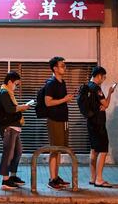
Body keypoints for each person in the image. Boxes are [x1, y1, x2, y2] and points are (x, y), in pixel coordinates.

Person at [0, 71, 29, 190]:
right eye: (16, 84)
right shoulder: (4, 92)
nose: (16, 86)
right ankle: (5, 180)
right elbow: (10, 109)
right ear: (9, 82)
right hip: (8, 128)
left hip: (14, 127)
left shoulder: (9, 93)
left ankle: (13, 176)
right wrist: (22, 107)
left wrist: (21, 107)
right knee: (8, 153)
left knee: (17, 152)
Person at [45, 56, 74, 190]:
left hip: (63, 120)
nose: (64, 68)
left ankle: (56, 177)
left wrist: (66, 99)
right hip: (54, 120)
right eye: (62, 66)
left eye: (64, 65)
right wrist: (64, 99)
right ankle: (52, 179)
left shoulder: (62, 82)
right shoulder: (51, 83)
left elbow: (61, 99)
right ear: (55, 68)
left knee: (60, 150)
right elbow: (48, 102)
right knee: (54, 149)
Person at [86, 66, 116, 188]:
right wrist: (109, 92)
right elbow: (106, 104)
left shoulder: (87, 86)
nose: (103, 80)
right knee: (103, 150)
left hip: (91, 122)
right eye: (103, 77)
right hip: (98, 124)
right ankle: (99, 179)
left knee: (94, 150)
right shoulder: (96, 88)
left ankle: (92, 178)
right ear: (98, 76)